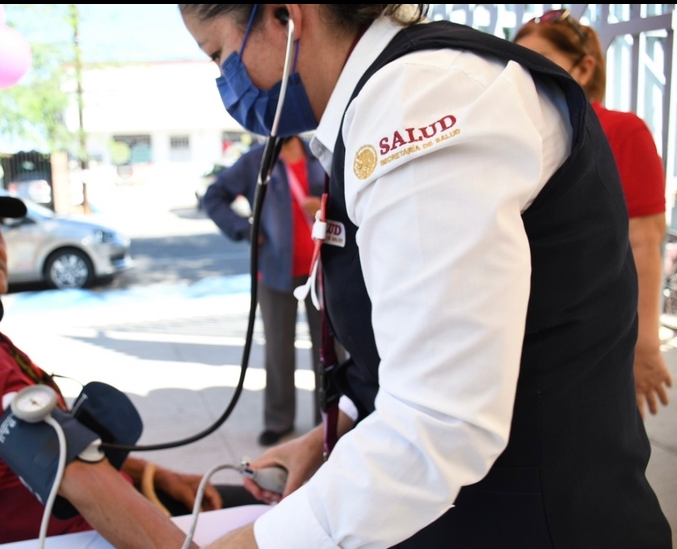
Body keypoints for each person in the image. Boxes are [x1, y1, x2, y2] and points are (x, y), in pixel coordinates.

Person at [179, 4, 672, 548]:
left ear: (284, 15)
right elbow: (419, 327)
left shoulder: (420, 100)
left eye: (219, 54)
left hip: (536, 525)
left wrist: (261, 543)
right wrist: (340, 421)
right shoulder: (385, 99)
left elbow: (440, 423)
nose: (225, 81)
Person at [0, 167, 253, 549]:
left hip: (83, 520)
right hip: (74, 535)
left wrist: (152, 474)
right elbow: (75, 472)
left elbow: (65, 451)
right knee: (277, 518)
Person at [514, 8, 673, 418]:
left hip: (595, 342)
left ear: (584, 68)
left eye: (538, 64)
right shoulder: (516, 139)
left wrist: (646, 348)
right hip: (524, 339)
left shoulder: (622, 132)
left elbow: (645, 243)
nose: (521, 81)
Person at [202, 135, 325, 446]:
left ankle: (326, 420)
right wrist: (246, 229)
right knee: (278, 349)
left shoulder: (319, 152)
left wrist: (322, 206)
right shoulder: (256, 160)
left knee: (327, 351)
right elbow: (214, 197)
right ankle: (279, 420)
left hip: (321, 269)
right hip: (273, 271)